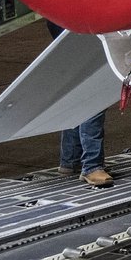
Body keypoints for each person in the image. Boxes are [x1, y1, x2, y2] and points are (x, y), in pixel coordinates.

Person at [47, 21, 112, 187]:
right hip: (83, 38)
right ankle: (92, 166)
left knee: (76, 100)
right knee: (94, 102)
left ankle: (70, 161)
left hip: (69, 40)